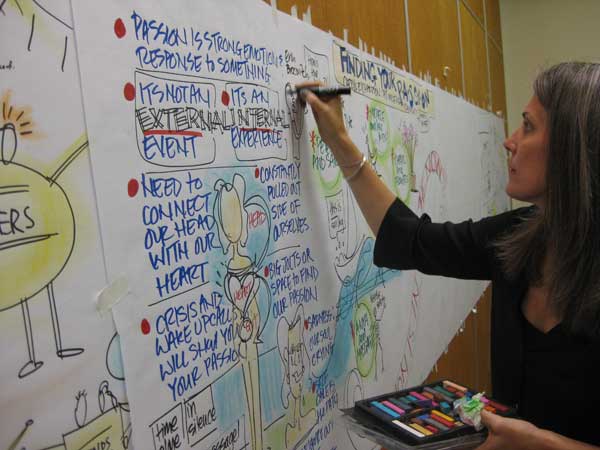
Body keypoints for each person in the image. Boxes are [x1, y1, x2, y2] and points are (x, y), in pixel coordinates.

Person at [299, 61, 600, 449]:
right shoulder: (519, 235)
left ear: (571, 150)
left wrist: (541, 444)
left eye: (528, 126)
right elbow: (411, 239)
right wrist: (339, 140)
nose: (510, 141)